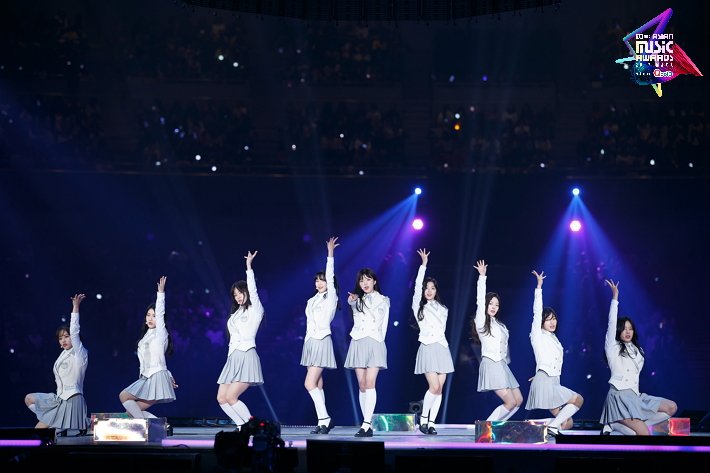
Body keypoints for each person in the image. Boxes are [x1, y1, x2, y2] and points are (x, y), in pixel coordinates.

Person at [600, 279, 677, 435]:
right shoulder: (613, 347)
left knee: (671, 407)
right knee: (643, 434)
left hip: (636, 396)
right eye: (624, 329)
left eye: (630, 328)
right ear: (618, 331)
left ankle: (616, 424)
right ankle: (617, 422)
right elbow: (611, 322)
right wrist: (615, 298)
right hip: (620, 397)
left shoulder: (638, 350)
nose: (628, 331)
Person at [525, 270, 584, 437]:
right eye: (548, 319)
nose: (552, 322)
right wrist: (539, 287)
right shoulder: (537, 335)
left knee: (568, 423)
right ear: (542, 322)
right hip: (546, 382)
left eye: (554, 319)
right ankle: (550, 427)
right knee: (578, 399)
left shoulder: (554, 338)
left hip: (553, 382)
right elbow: (537, 312)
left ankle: (538, 427)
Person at [24, 294, 90, 436]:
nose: (63, 340)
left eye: (66, 337)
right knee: (29, 399)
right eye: (60, 338)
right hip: (59, 399)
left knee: (38, 432)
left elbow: (74, 331)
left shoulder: (80, 353)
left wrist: (75, 307)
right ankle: (55, 422)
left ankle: (62, 424)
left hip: (72, 400)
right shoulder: (62, 355)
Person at [216, 251, 264, 431]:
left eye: (240, 293)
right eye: (235, 295)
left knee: (231, 397)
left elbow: (253, 290)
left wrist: (249, 267)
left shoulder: (255, 310)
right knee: (222, 398)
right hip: (233, 358)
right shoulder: (235, 313)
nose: (238, 297)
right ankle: (241, 426)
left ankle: (251, 426)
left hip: (246, 355)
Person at [119, 276, 178, 423]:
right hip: (146, 377)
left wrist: (161, 294)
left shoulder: (161, 333)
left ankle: (145, 426)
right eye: (148, 315)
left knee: (124, 396)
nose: (151, 318)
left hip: (156, 377)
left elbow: (160, 312)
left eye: (154, 316)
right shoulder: (146, 336)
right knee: (132, 410)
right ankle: (160, 426)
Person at [471, 259, 523, 421]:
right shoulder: (481, 322)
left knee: (518, 401)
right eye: (491, 304)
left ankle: (497, 427)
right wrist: (482, 277)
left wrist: (506, 362)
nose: (493, 307)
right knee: (510, 402)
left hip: (502, 365)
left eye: (497, 305)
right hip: (491, 363)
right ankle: (486, 428)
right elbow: (480, 301)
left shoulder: (500, 325)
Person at [411, 248, 455, 435]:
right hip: (428, 347)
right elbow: (417, 287)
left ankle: (431, 424)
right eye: (426, 288)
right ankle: (424, 419)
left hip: (442, 348)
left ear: (436, 291)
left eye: (432, 288)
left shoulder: (443, 309)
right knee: (434, 386)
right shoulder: (418, 307)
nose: (429, 291)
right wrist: (423, 265)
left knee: (440, 390)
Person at [344, 267, 390, 437]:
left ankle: (366, 423)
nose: (365, 283)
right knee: (362, 385)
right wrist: (353, 300)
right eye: (362, 280)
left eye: (368, 279)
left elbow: (384, 324)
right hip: (358, 341)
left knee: (370, 383)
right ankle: (366, 423)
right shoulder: (356, 300)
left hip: (375, 342)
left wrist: (380, 342)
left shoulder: (384, 300)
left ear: (374, 281)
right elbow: (352, 305)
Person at [302, 237, 340, 435]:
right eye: (317, 280)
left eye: (322, 280)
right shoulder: (311, 300)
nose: (319, 283)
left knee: (309, 383)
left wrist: (330, 255)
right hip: (310, 342)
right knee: (317, 383)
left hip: (322, 340)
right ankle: (323, 421)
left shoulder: (331, 297)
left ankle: (325, 419)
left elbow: (330, 275)